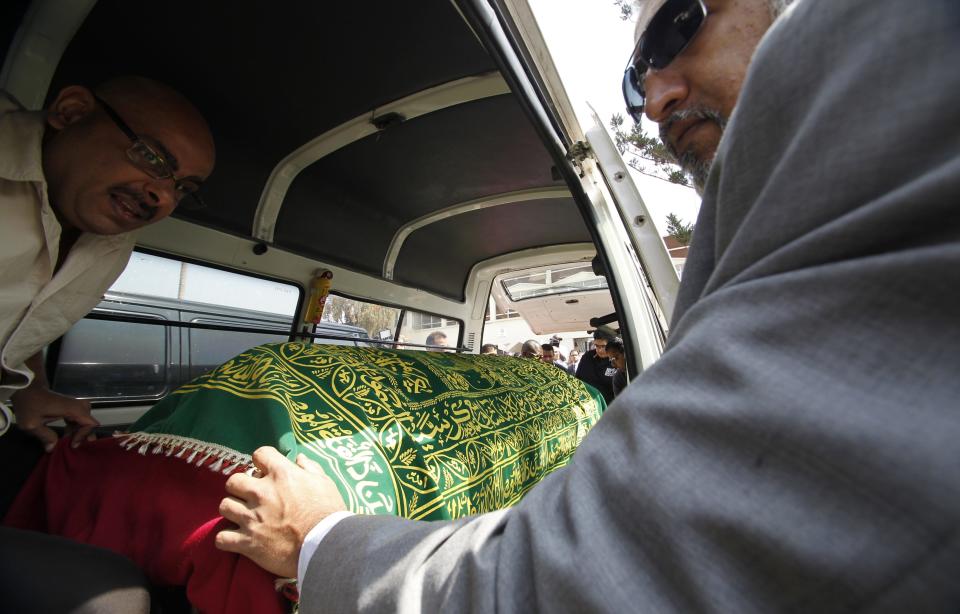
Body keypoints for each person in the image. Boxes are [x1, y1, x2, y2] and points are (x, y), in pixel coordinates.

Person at [217, 1, 960, 611]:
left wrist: (318, 536)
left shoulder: (889, 54)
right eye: (638, 85)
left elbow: (586, 580)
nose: (657, 100)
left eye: (679, 26)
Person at [0, 76, 216, 611]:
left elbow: (26, 317)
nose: (162, 194)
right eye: (153, 159)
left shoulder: (109, 243)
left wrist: (33, 388)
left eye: (182, 187)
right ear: (71, 113)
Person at [574, 328, 616, 403]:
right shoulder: (587, 357)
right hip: (587, 405)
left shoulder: (617, 359)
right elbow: (577, 381)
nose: (599, 350)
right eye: (597, 346)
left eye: (603, 346)